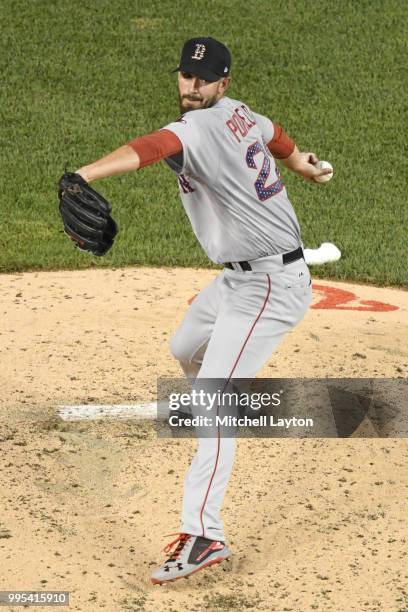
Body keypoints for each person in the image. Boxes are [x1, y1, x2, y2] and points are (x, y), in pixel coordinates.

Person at [73, 36, 333, 584]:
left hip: (271, 285)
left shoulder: (202, 126)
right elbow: (273, 132)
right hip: (236, 280)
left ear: (223, 83)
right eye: (186, 76)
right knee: (184, 349)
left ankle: (205, 535)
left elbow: (149, 147)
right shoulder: (241, 115)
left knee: (213, 398)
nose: (191, 86)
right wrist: (303, 164)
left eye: (204, 78)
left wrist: (84, 176)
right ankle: (221, 414)